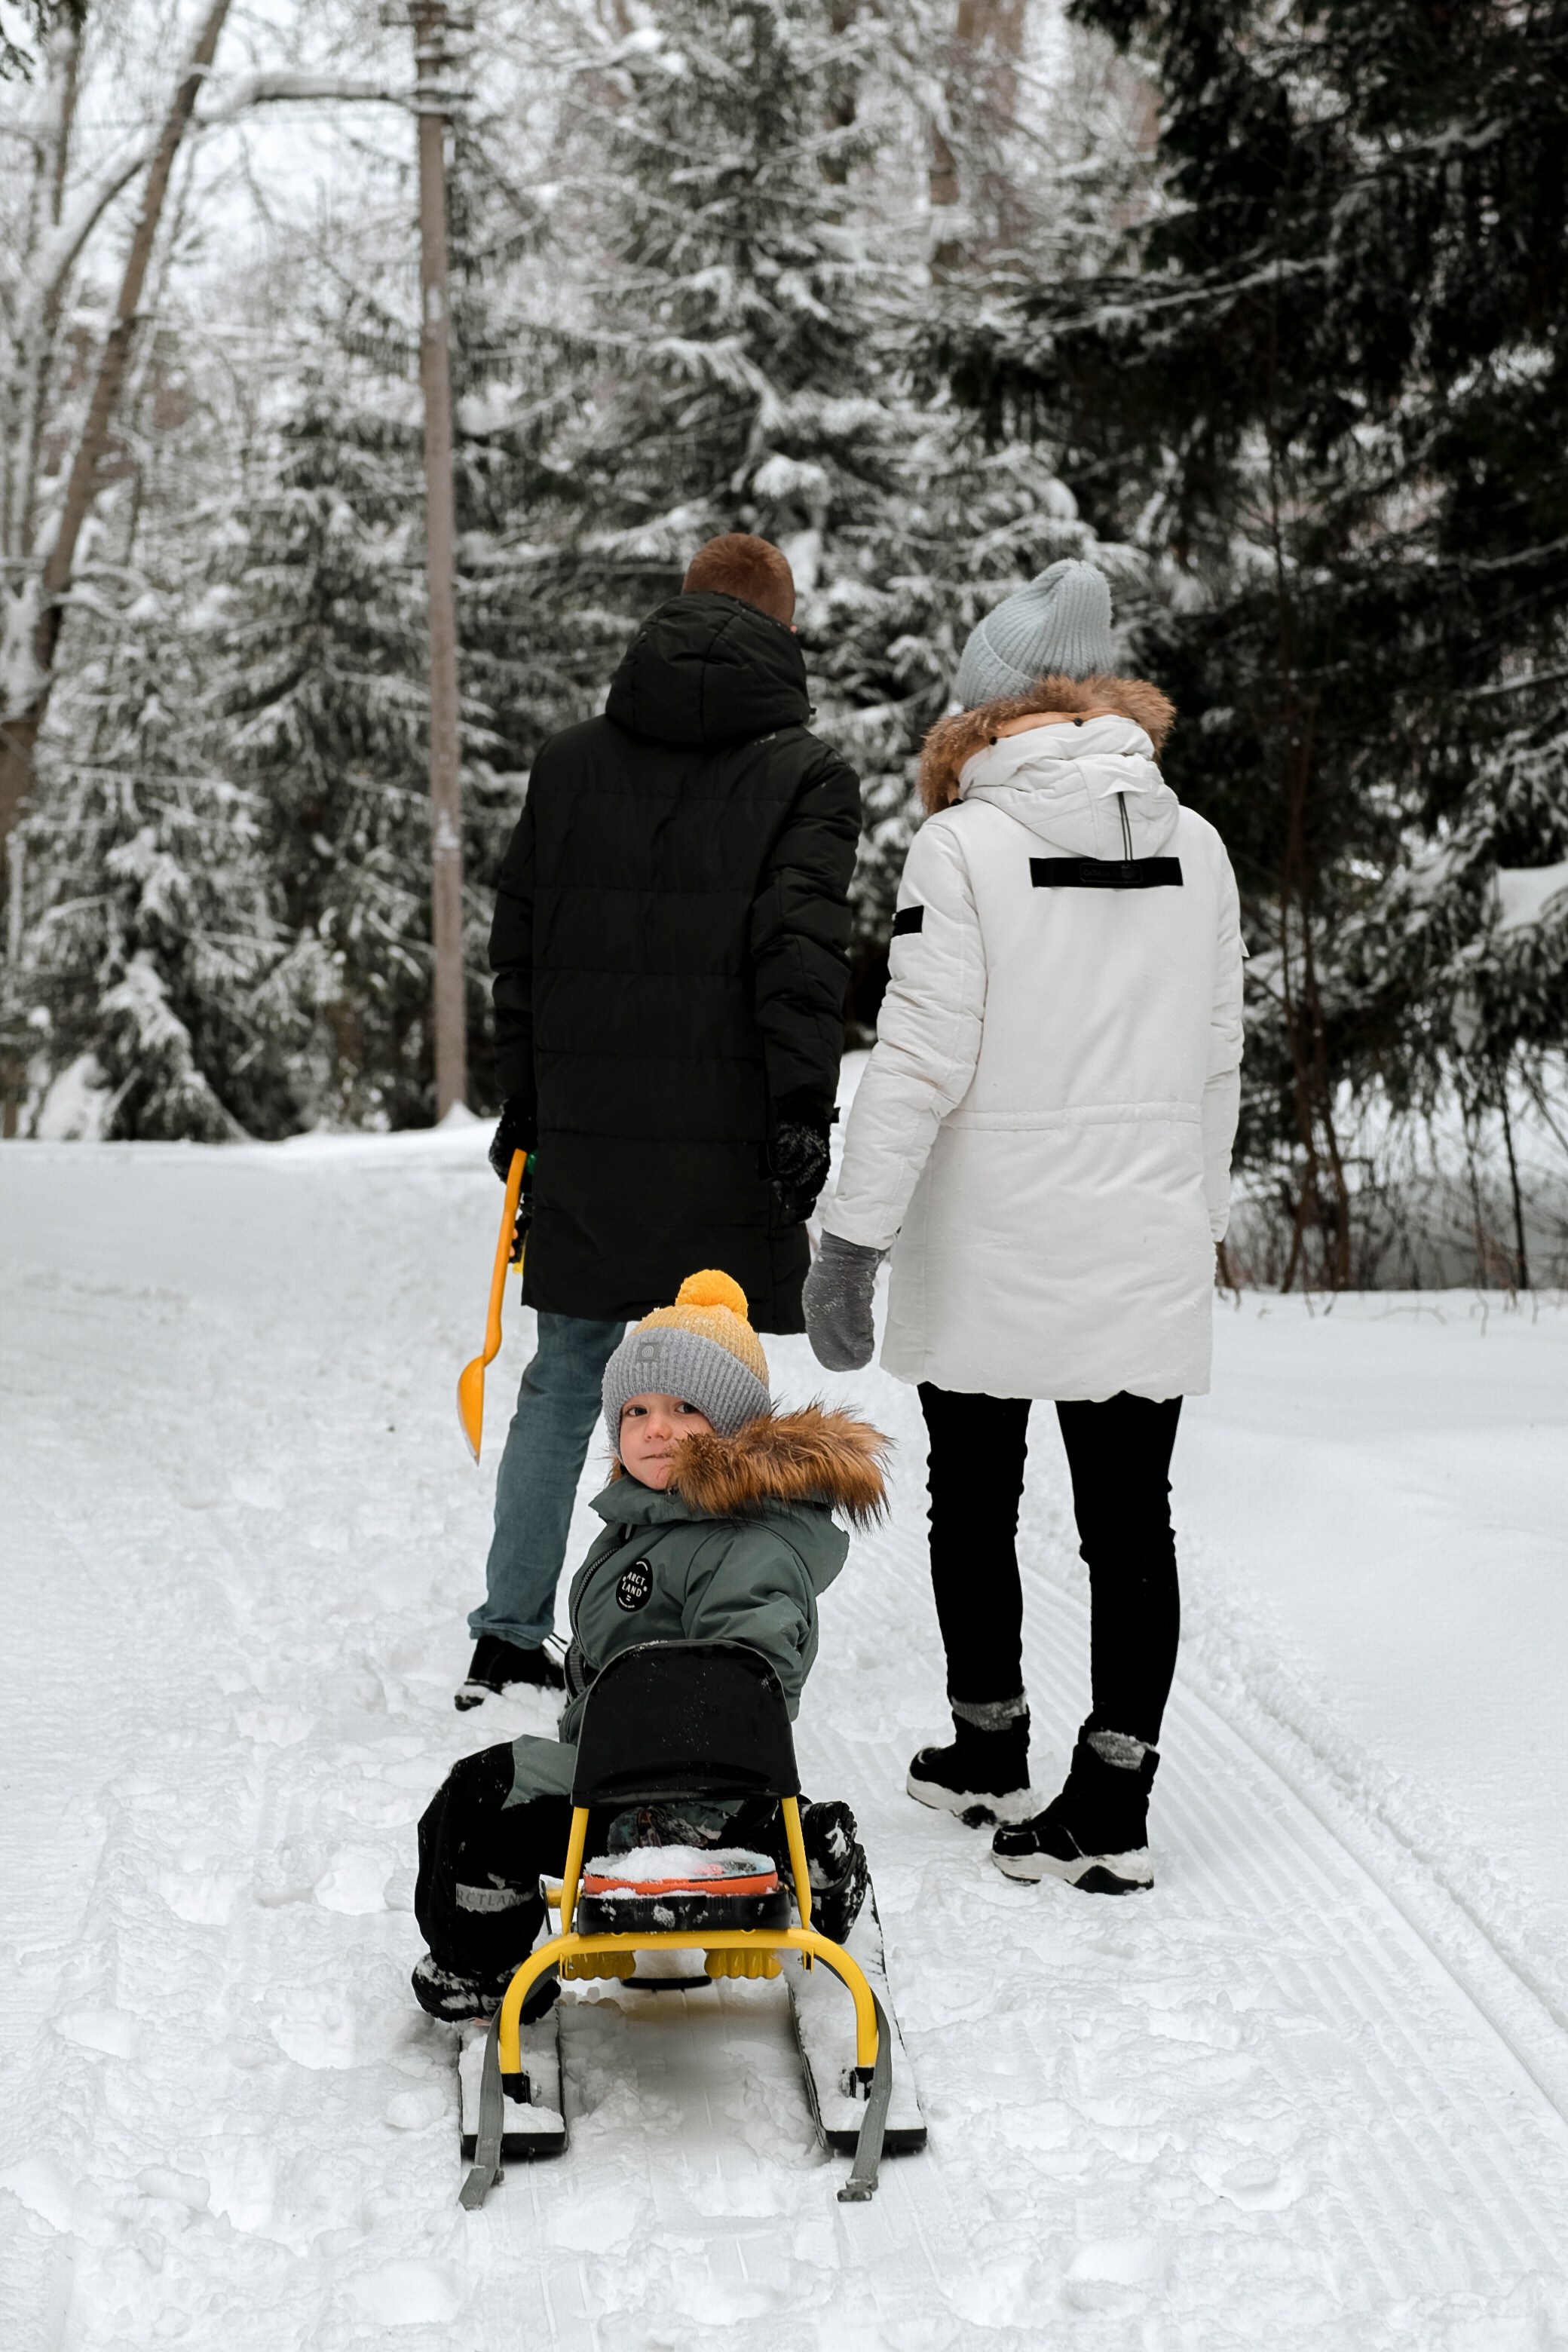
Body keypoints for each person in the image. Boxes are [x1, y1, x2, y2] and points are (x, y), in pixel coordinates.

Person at [803, 559, 1244, 1895]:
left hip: (993, 1235)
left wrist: (851, 1241)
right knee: (1131, 1516)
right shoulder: (1200, 843)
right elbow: (1221, 1058)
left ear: (987, 717)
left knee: (975, 1496)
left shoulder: (964, 846)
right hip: (1144, 1230)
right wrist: (1192, 1210)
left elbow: (919, 1060)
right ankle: (1113, 1792)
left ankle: (991, 1745)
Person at [457, 534, 862, 1709]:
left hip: (587, 1131)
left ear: (674, 614)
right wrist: (802, 1105)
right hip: (728, 1135)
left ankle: (510, 1629)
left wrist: (524, 1096)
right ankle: (703, 1623)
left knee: (567, 1374)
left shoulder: (569, 761)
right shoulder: (808, 773)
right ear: (785, 634)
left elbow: (519, 946)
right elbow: (802, 954)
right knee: (713, 1391)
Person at [413, 1271, 888, 2019]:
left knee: (482, 1796)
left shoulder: (746, 1546)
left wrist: (661, 1784)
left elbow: (746, 1676)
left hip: (673, 1791)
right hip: (642, 1771)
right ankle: (802, 1843)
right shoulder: (654, 1519)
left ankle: (476, 1966)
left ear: (734, 1427)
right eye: (634, 1410)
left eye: (684, 1408)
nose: (654, 1427)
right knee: (497, 1786)